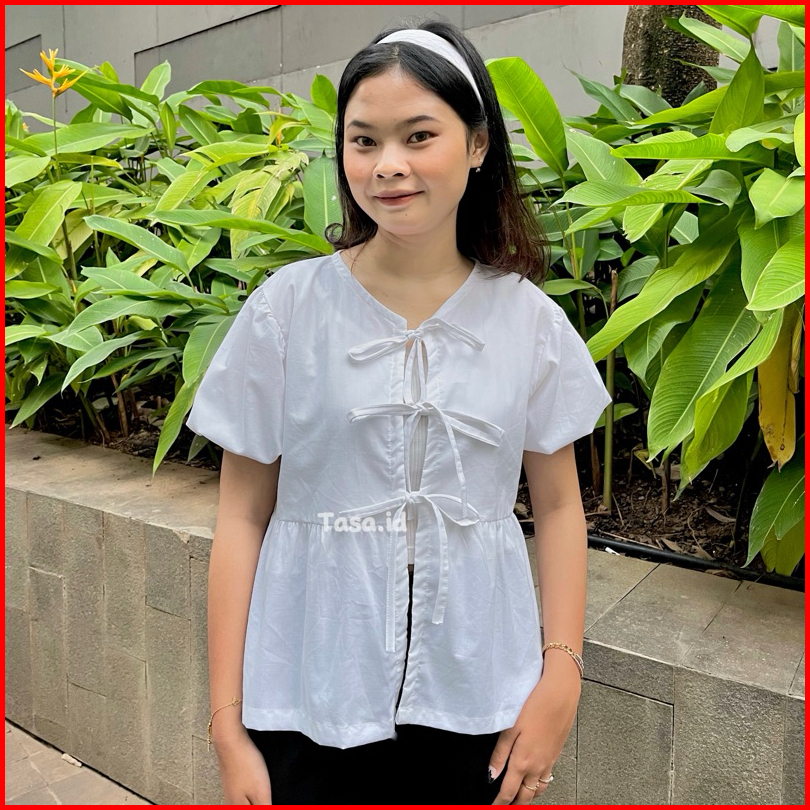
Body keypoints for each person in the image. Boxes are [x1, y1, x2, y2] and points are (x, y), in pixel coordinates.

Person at [186, 17, 612, 806]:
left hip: (477, 695)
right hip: (307, 694)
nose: (388, 165)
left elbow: (558, 506)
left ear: (477, 145)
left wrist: (562, 675)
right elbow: (241, 515)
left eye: (419, 136)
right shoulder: (288, 311)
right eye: (364, 141)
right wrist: (226, 723)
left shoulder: (528, 323)